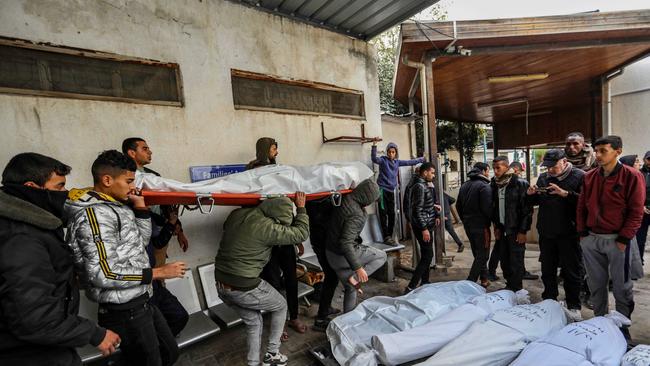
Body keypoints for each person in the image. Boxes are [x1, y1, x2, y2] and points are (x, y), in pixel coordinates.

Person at [65, 150, 186, 366]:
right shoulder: (94, 215)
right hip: (124, 310)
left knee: (169, 352)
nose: (133, 187)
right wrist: (157, 272)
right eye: (129, 181)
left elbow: (140, 241)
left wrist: (140, 209)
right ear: (107, 180)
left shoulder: (116, 205)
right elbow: (103, 273)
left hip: (141, 299)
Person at [0, 153, 120, 366]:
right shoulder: (21, 237)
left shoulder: (33, 225)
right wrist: (93, 333)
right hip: (29, 354)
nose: (65, 194)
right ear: (32, 187)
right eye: (59, 187)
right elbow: (33, 317)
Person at [214, 193, 309, 366]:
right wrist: (301, 208)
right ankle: (272, 353)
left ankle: (253, 363)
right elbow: (301, 233)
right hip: (243, 286)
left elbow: (228, 225)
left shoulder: (236, 215)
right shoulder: (268, 228)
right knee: (281, 305)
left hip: (221, 285)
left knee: (254, 322)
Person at [577, 135, 645, 343]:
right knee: (596, 285)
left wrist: (624, 238)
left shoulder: (632, 176)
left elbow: (636, 211)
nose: (597, 155)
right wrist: (582, 234)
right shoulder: (590, 177)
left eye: (603, 151)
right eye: (596, 151)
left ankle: (622, 329)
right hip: (592, 238)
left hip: (618, 240)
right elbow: (581, 206)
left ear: (618, 151)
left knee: (622, 287)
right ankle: (600, 324)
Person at [122, 137, 189, 337]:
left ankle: (161, 334)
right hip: (143, 238)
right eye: (145, 149)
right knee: (153, 282)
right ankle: (157, 334)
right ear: (131, 153)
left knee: (158, 283)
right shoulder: (127, 181)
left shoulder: (153, 177)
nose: (150, 152)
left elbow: (170, 207)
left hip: (159, 234)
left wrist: (177, 228)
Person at [246, 137, 306, 337]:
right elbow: (247, 203)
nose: (276, 152)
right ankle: (277, 323)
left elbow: (286, 204)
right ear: (265, 149)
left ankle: (294, 316)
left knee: (291, 278)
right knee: (272, 281)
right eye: (273, 149)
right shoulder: (251, 172)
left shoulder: (279, 170)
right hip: (266, 237)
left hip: (284, 236)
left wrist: (296, 237)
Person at [526, 149, 584, 320]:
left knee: (571, 270)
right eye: (547, 166)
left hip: (569, 233)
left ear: (564, 161)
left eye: (553, 166)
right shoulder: (544, 178)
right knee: (547, 269)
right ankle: (549, 300)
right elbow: (537, 201)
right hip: (547, 232)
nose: (550, 170)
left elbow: (586, 202)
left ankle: (573, 305)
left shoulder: (579, 176)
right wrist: (530, 195)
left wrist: (565, 194)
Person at [326, 179, 388, 312]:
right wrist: (358, 269)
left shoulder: (346, 198)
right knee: (381, 256)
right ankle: (353, 278)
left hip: (330, 254)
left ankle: (348, 321)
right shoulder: (357, 214)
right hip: (341, 256)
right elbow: (346, 243)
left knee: (350, 288)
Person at [490, 156, 533, 292]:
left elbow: (527, 210)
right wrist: (496, 227)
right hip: (502, 228)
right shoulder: (494, 184)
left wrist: (523, 231)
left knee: (516, 260)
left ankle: (517, 288)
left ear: (506, 167)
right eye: (494, 168)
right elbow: (494, 207)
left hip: (515, 229)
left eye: (498, 168)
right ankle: (510, 285)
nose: (496, 171)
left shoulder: (520, 183)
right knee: (504, 259)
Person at [371, 141, 425, 244]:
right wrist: (374, 145)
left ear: (396, 153)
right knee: (383, 214)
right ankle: (386, 236)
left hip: (391, 191)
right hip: (382, 190)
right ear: (387, 152)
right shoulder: (383, 160)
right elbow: (374, 159)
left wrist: (422, 159)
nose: (391, 154)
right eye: (389, 152)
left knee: (392, 214)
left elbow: (410, 162)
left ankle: (389, 236)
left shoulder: (397, 162)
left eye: (393, 152)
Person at [306, 196, 341, 332]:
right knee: (332, 277)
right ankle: (321, 318)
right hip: (322, 243)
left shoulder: (315, 199)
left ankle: (325, 308)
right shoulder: (317, 201)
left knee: (332, 276)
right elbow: (323, 221)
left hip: (321, 241)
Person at [404, 163, 441, 294]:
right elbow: (417, 210)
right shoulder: (420, 186)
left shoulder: (422, 184)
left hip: (425, 223)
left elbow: (422, 206)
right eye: (432, 172)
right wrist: (424, 229)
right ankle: (411, 286)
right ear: (425, 173)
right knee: (428, 255)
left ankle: (425, 281)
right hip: (422, 226)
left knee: (426, 254)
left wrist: (433, 208)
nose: (433, 175)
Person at [457, 162, 492, 288]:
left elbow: (458, 206)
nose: (489, 173)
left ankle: (484, 279)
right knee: (483, 255)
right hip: (481, 226)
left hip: (468, 225)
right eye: (488, 170)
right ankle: (470, 282)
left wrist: (465, 219)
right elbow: (487, 209)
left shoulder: (464, 185)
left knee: (477, 253)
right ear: (483, 171)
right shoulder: (484, 186)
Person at [637, 151, 650, 264]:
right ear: (644, 159)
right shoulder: (639, 173)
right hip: (642, 211)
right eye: (649, 159)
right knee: (639, 240)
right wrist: (641, 206)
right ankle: (638, 263)